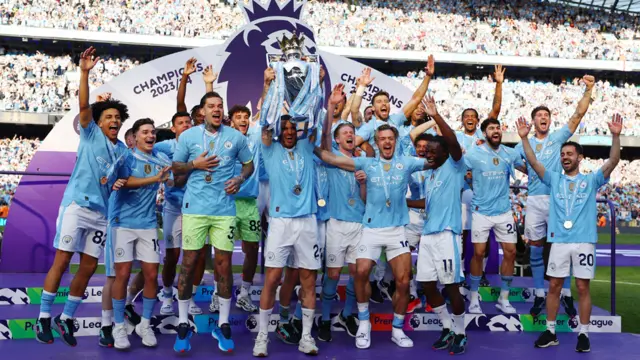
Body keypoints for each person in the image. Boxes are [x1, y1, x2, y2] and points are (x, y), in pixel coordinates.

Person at [35, 47, 130, 347]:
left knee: (88, 268)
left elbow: (123, 178)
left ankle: (67, 319)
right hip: (76, 206)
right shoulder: (91, 134)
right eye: (110, 117)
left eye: (118, 118)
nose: (114, 121)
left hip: (101, 215)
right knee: (62, 261)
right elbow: (84, 104)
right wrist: (85, 73)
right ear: (100, 122)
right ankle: (44, 318)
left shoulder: (123, 152)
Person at [315, 121, 433, 349]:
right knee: (360, 273)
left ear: (395, 141)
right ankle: (363, 323)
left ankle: (397, 329)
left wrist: (449, 147)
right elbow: (332, 159)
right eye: (382, 139)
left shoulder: (407, 163)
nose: (387, 142)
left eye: (390, 138)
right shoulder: (366, 163)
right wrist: (309, 145)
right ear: (376, 143)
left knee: (403, 280)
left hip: (397, 229)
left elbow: (434, 161)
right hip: (370, 228)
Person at [516, 114, 621, 353]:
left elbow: (613, 160)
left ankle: (583, 334)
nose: (565, 157)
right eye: (562, 154)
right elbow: (533, 162)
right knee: (554, 285)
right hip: (559, 241)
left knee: (582, 287)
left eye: (569, 154)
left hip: (584, 242)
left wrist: (615, 135)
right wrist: (524, 139)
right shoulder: (553, 179)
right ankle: (551, 331)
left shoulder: (592, 180)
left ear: (579, 158)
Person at [171, 91, 254, 353]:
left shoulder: (236, 137)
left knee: (224, 264)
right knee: (188, 262)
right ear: (202, 111)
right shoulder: (188, 136)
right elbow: (175, 168)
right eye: (211, 106)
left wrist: (240, 179)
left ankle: (223, 323)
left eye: (220, 106)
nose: (216, 110)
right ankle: (183, 323)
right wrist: (194, 164)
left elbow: (248, 166)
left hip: (224, 211)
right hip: (194, 208)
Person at [514, 75, 595, 317]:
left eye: (546, 116)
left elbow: (577, 115)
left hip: (559, 200)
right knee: (536, 247)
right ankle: (540, 294)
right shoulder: (522, 144)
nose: (543, 119)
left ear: (549, 120)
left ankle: (566, 295)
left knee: (563, 245)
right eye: (539, 116)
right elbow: (520, 165)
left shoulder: (558, 139)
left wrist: (588, 90)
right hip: (535, 199)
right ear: (533, 121)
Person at [252, 105, 322, 356]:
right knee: (271, 280)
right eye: (286, 128)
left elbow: (317, 116)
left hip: (307, 221)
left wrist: (330, 101)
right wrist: (272, 89)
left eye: (294, 128)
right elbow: (264, 127)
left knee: (308, 281)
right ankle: (262, 337)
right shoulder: (270, 149)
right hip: (281, 221)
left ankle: (305, 337)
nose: (290, 131)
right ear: (279, 131)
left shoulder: (306, 145)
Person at [105, 118, 171, 349]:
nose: (151, 135)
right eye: (145, 132)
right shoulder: (127, 157)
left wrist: (178, 176)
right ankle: (118, 326)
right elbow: (124, 182)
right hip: (123, 223)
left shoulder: (161, 159)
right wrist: (156, 178)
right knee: (121, 274)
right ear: (135, 137)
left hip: (149, 225)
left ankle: (145, 324)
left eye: (153, 132)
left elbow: (174, 175)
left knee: (152, 274)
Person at [416, 96, 468, 355]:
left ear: (446, 154)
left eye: (435, 153)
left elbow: (454, 142)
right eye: (428, 153)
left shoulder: (455, 166)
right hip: (428, 236)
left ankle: (461, 332)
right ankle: (447, 327)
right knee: (427, 284)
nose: (429, 156)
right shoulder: (431, 173)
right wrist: (405, 202)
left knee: (451, 287)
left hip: (447, 235)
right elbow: (428, 202)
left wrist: (436, 116)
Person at [318, 84, 367, 342]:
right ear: (338, 140)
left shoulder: (363, 160)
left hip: (359, 224)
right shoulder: (331, 154)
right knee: (334, 274)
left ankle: (347, 314)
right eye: (344, 132)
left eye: (352, 131)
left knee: (358, 273)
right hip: (336, 223)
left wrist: (363, 183)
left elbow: (366, 199)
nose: (349, 134)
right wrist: (331, 107)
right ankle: (325, 318)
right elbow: (324, 134)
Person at [464, 118, 526, 315]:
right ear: (484, 133)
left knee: (510, 252)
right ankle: (474, 298)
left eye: (498, 127)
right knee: (479, 253)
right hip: (481, 211)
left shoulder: (510, 153)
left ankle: (504, 298)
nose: (496, 131)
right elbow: (460, 171)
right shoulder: (473, 154)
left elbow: (528, 168)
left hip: (504, 211)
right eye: (491, 128)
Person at [457, 65, 505, 287]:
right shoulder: (456, 137)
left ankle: (481, 274)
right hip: (461, 192)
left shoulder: (482, 135)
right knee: (463, 236)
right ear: (461, 121)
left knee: (482, 240)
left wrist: (498, 83)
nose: (469, 119)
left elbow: (495, 109)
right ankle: (459, 274)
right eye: (466, 116)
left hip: (481, 193)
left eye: (473, 116)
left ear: (478, 122)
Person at [154, 112, 193, 316]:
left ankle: (188, 296)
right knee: (172, 256)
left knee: (191, 257)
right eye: (181, 123)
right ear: (173, 128)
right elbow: (147, 151)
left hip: (195, 208)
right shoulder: (164, 147)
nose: (185, 125)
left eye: (188, 122)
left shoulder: (199, 144)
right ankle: (167, 295)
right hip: (173, 207)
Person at [228, 104, 261, 313]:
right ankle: (218, 292)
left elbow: (266, 115)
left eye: (246, 117)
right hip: (227, 203)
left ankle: (244, 293)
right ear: (230, 120)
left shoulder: (255, 138)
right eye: (238, 117)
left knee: (252, 250)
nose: (243, 120)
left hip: (249, 204)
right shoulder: (224, 139)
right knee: (223, 253)